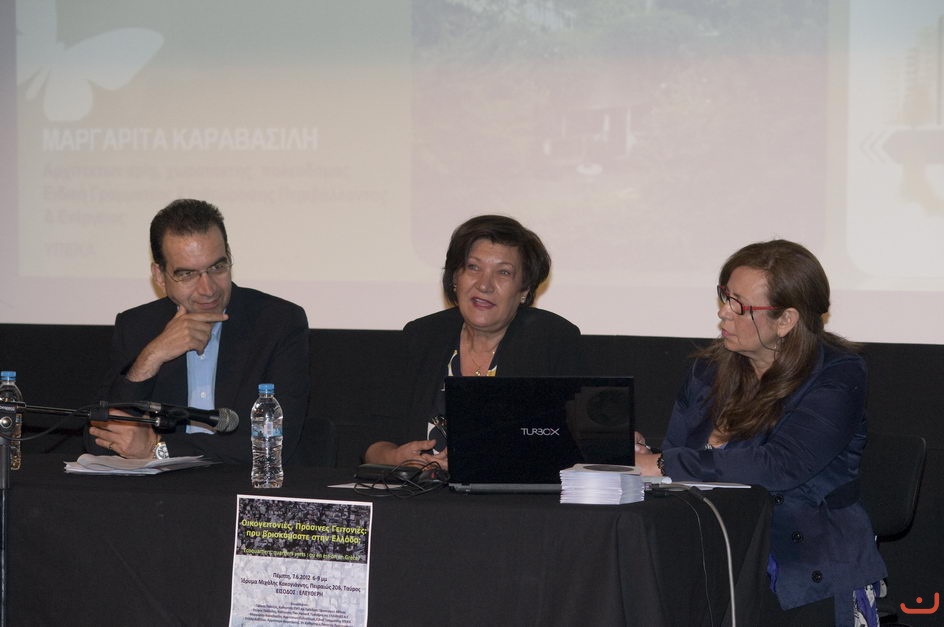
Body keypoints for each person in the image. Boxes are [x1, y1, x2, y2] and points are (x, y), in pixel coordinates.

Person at [634, 240, 885, 626]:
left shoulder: (837, 375)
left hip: (807, 566)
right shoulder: (708, 371)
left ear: (786, 320)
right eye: (725, 296)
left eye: (739, 305)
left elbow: (781, 465)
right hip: (717, 555)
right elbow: (680, 457)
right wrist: (645, 456)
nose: (723, 312)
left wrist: (664, 463)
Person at [85, 199, 310, 464]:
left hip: (241, 482)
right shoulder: (137, 326)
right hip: (157, 488)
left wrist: (158, 448)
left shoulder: (278, 322)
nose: (208, 289)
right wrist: (151, 357)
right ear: (159, 275)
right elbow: (99, 440)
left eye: (217, 267)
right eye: (187, 274)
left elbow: (274, 441)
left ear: (229, 256)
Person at [363, 214, 582, 470]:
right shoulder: (421, 337)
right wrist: (396, 458)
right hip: (421, 491)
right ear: (455, 278)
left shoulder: (553, 341)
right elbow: (372, 443)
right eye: (473, 268)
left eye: (503, 272)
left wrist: (476, 463)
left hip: (509, 495)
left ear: (524, 290)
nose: (484, 285)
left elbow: (569, 447)